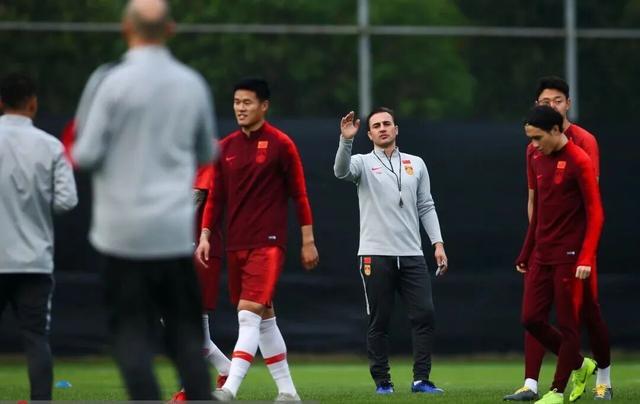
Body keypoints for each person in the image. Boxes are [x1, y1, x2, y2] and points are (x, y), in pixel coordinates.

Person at [71, 0, 216, 399]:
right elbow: (207, 152)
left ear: (126, 28)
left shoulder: (108, 80)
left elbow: (85, 154)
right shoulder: (191, 83)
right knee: (185, 335)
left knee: (131, 333)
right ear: (170, 29)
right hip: (171, 232)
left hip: (121, 235)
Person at [196, 77, 319, 401]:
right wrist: (206, 234)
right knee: (264, 319)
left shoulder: (281, 144)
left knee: (248, 313)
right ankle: (288, 392)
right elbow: (215, 198)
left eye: (247, 102)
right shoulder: (225, 148)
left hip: (269, 243)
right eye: (237, 102)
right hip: (235, 244)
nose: (240, 108)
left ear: (264, 106)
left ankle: (229, 389)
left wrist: (307, 240)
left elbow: (300, 195)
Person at [505, 77, 611, 402]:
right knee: (530, 318)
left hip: (572, 252)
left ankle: (561, 389)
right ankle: (577, 365)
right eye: (544, 100)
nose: (534, 144)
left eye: (537, 138)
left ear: (565, 108)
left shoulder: (580, 153)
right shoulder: (535, 153)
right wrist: (527, 249)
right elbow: (538, 207)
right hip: (543, 250)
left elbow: (594, 211)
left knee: (577, 318)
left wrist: (585, 255)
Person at [334, 108, 448, 395]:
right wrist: (346, 140)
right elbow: (340, 171)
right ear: (369, 133)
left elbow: (426, 205)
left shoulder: (416, 163)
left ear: (396, 129)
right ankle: (382, 382)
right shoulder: (361, 162)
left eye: (387, 124)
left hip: (412, 254)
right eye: (376, 126)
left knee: (425, 315)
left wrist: (437, 243)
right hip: (375, 254)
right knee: (379, 320)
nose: (382, 128)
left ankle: (421, 380)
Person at [0, 72, 78, 400]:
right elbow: (67, 201)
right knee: (35, 338)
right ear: (33, 103)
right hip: (34, 261)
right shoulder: (50, 146)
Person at [170, 164, 230, 401]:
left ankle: (189, 388)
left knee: (193, 320)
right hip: (178, 249)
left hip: (202, 250)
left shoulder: (204, 157)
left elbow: (195, 197)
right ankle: (227, 369)